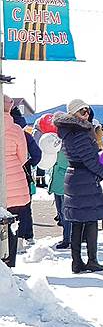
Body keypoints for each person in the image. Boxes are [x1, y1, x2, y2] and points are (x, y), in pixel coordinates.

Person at [54, 99, 103, 273]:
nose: (86, 114)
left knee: (77, 222)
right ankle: (92, 260)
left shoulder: (69, 132)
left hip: (74, 178)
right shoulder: (79, 133)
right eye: (82, 111)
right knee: (91, 220)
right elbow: (89, 160)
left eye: (87, 110)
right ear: (73, 114)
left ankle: (77, 262)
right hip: (84, 179)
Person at [2, 96, 29, 267]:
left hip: (1, 184)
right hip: (15, 183)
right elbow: (23, 157)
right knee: (12, 227)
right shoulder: (16, 129)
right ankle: (9, 264)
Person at [10, 106, 41, 253]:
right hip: (23, 175)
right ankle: (26, 235)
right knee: (25, 207)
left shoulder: (5, 132)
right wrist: (27, 164)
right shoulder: (24, 134)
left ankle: (9, 238)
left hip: (6, 177)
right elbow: (37, 155)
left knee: (7, 208)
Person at [48, 121, 72, 250]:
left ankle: (68, 239)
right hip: (59, 181)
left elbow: (64, 163)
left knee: (65, 213)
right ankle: (67, 237)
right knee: (62, 213)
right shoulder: (58, 142)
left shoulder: (67, 144)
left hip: (64, 181)